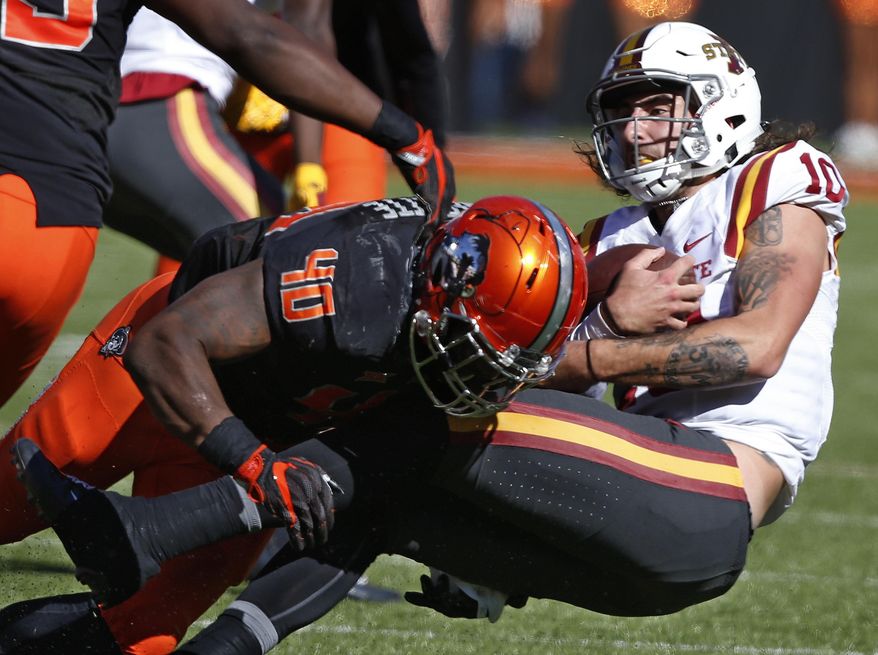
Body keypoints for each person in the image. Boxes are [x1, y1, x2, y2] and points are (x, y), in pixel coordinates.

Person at [5, 19, 846, 654]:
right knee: (378, 483)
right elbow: (523, 375)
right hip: (627, 503)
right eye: (623, 114)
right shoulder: (606, 234)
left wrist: (593, 347)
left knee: (434, 423)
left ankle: (159, 527)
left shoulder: (777, 179)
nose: (635, 132)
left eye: (658, 109)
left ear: (723, 103)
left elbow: (757, 344)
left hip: (715, 487)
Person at [0, 194, 587, 654]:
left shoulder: (455, 301)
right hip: (166, 373)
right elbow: (165, 343)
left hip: (269, 428)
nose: (474, 385)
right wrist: (251, 461)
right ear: (441, 283)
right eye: (469, 354)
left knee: (138, 635)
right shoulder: (359, 284)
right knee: (6, 505)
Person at [0, 0, 454, 408]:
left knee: (229, 278)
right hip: (140, 115)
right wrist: (407, 137)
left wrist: (308, 163)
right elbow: (260, 35)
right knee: (275, 277)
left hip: (87, 131)